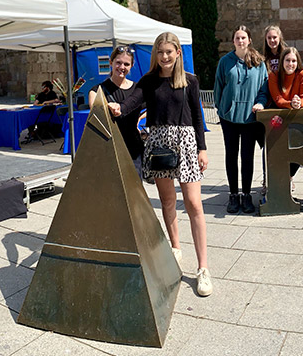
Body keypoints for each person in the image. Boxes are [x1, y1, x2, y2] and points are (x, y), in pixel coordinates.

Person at [108, 32, 212, 297]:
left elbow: (198, 117)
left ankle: (203, 268)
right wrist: (117, 108)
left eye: (169, 51)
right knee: (167, 201)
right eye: (160, 52)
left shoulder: (189, 81)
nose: (164, 56)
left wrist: (202, 148)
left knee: (194, 204)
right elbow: (131, 103)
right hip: (158, 143)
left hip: (186, 141)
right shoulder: (149, 80)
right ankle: (175, 249)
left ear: (177, 52)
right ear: (155, 54)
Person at [214, 25, 269, 214]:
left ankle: (246, 195)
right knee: (231, 156)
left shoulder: (259, 63)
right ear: (233, 41)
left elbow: (264, 89)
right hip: (229, 117)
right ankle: (233, 195)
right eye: (237, 38)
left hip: (250, 118)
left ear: (249, 40)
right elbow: (219, 86)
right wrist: (221, 108)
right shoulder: (225, 62)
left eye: (243, 38)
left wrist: (260, 104)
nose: (240, 41)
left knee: (247, 157)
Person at [88, 45, 144, 174]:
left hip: (133, 148)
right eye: (118, 62)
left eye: (126, 64)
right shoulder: (97, 91)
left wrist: (138, 119)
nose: (122, 67)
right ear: (110, 62)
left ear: (131, 66)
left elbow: (152, 107)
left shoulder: (138, 89)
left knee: (134, 189)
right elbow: (96, 115)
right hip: (108, 147)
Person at [267, 47, 303, 180]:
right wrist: (290, 103)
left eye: (293, 61)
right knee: (277, 151)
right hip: (280, 119)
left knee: (300, 150)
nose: (290, 64)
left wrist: (298, 103)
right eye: (287, 60)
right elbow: (278, 99)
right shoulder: (274, 75)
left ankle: (289, 178)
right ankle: (272, 180)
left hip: (297, 118)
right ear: (282, 61)